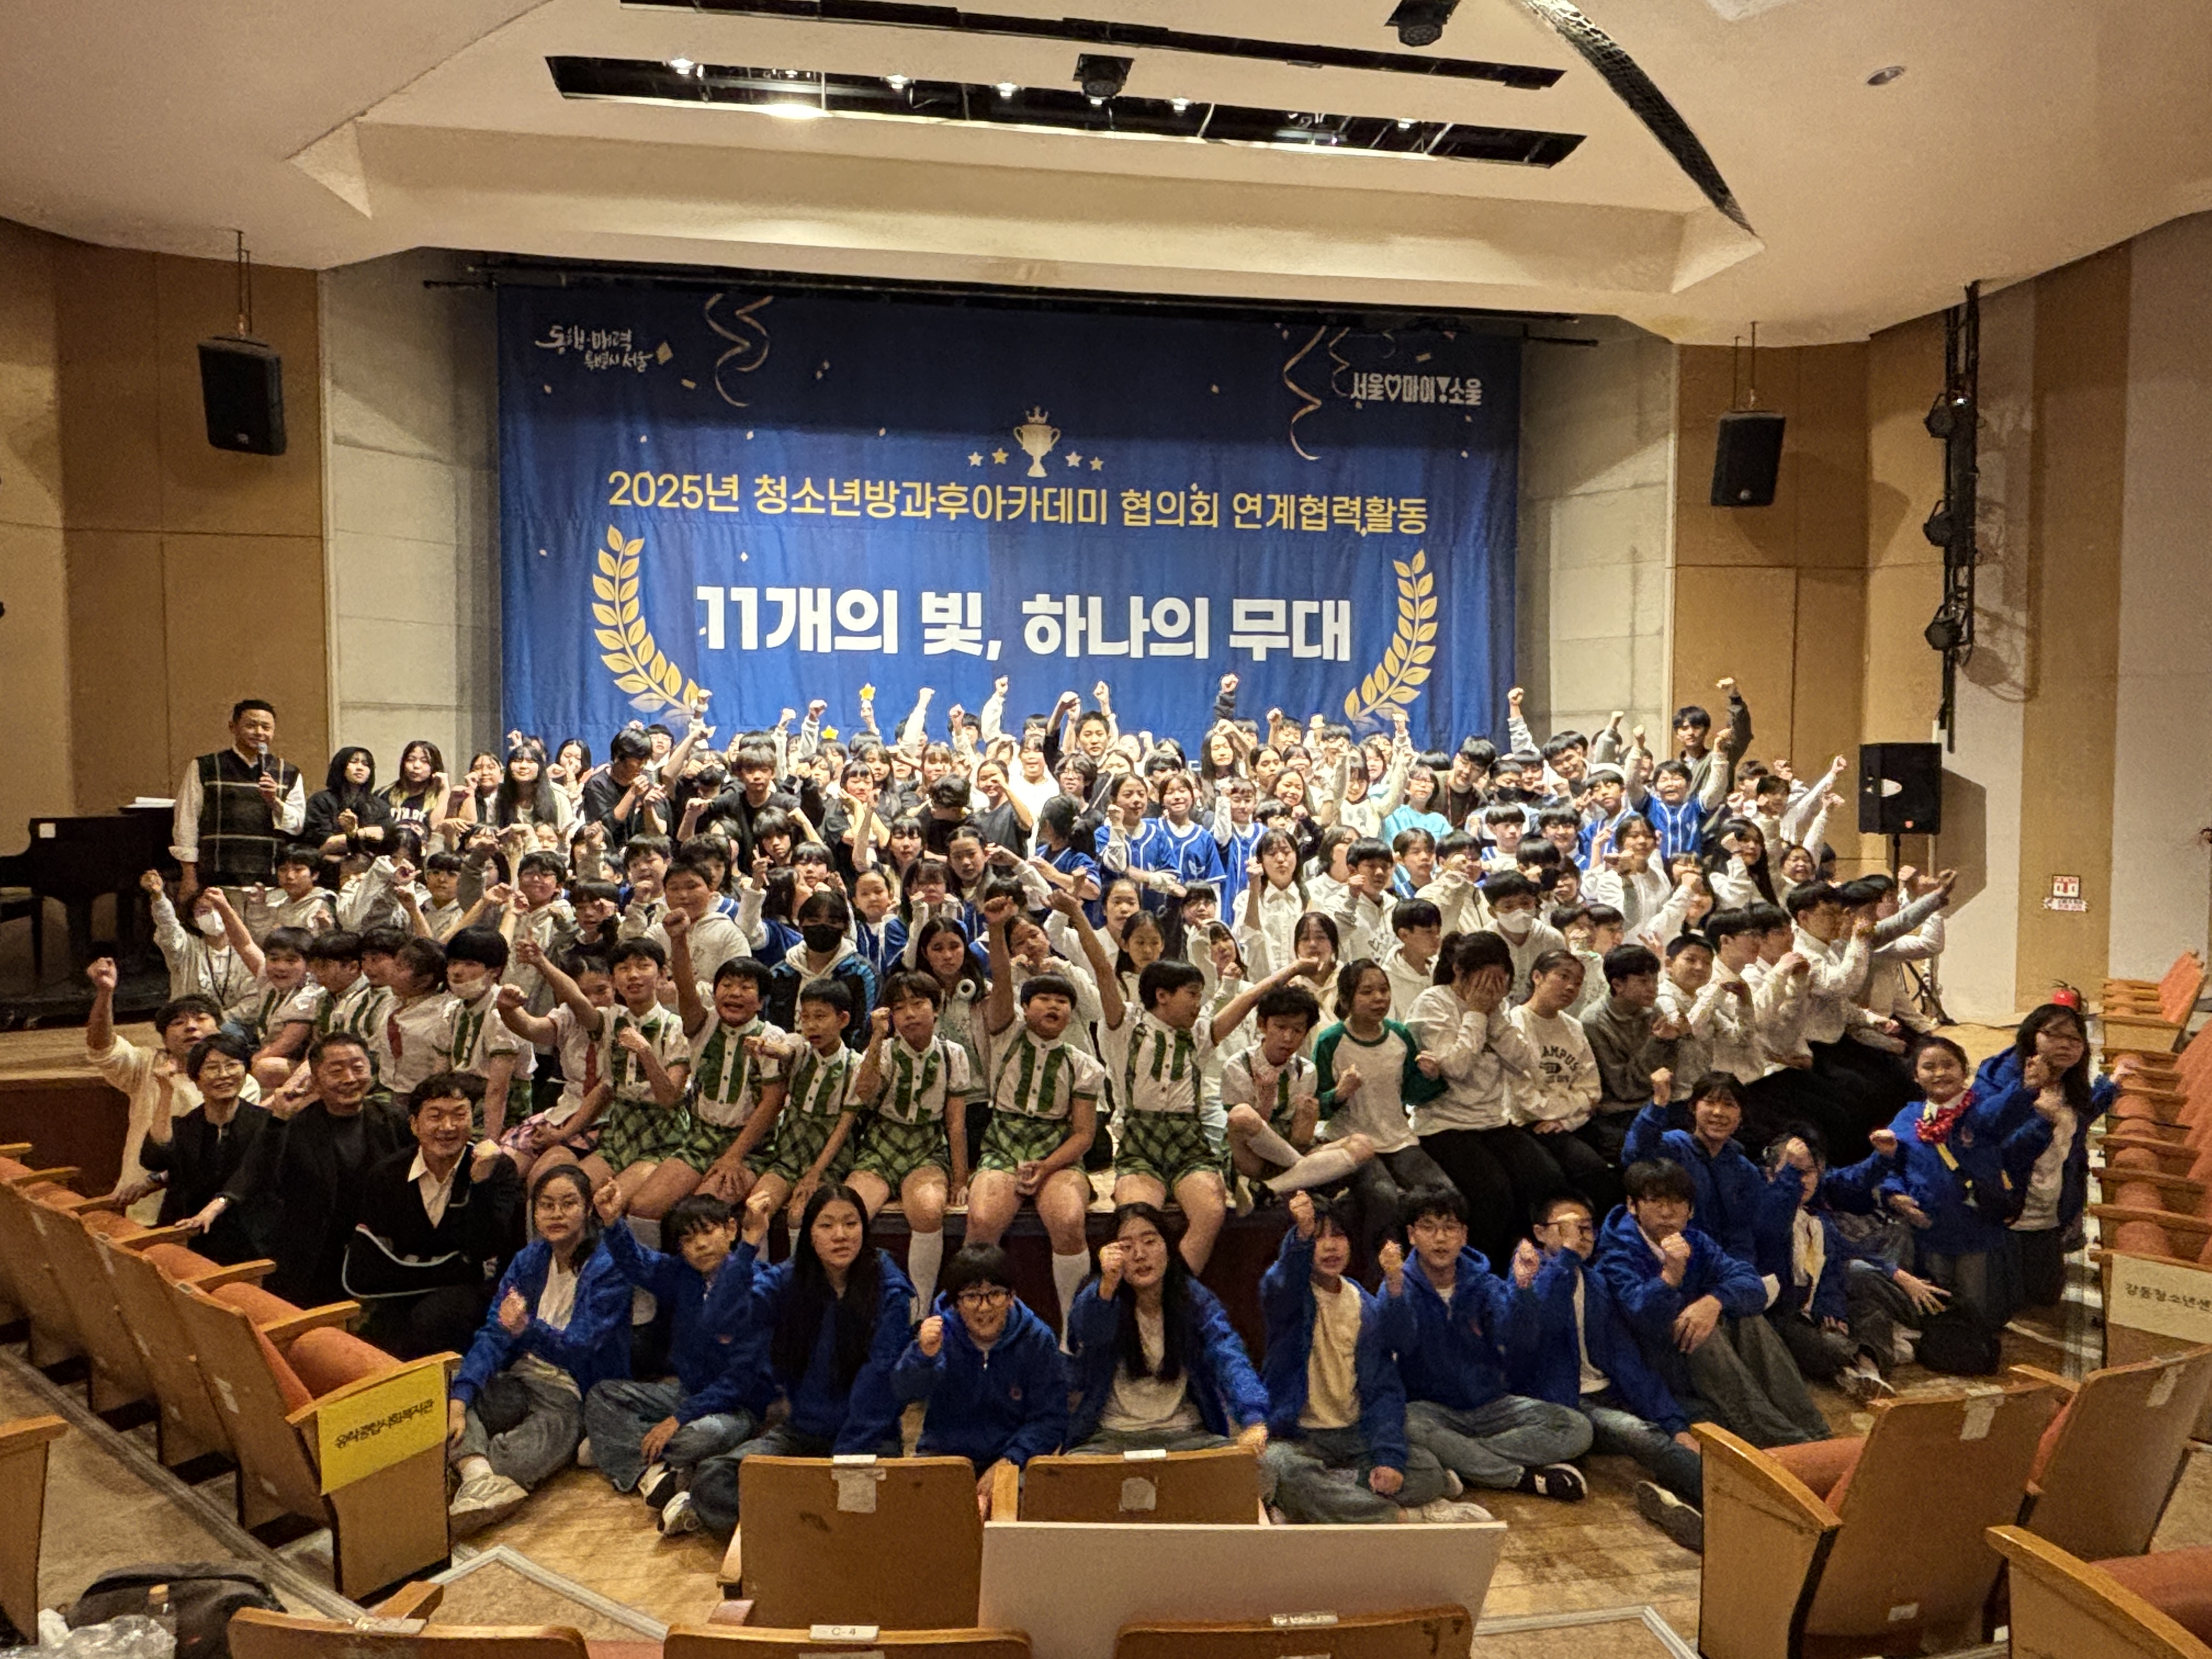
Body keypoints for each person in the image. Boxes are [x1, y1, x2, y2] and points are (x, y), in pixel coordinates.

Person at [682, 1184, 913, 1538]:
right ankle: (806, 1528)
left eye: (851, 1223)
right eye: (827, 1225)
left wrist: (839, 1466)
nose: (840, 1235)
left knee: (871, 1507)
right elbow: (721, 1321)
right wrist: (750, 1242)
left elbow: (880, 1381)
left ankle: (796, 1525)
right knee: (713, 1478)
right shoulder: (791, 1277)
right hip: (802, 1435)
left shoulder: (887, 1282)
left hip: (868, 1438)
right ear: (809, 1234)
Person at [1516, 1193, 1709, 1553]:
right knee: (1642, 1435)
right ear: (1540, 1233)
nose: (1579, 1237)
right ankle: (1728, 1506)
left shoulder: (1596, 1283)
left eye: (1586, 1228)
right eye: (1567, 1229)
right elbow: (1541, 1325)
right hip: (1567, 1404)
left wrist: (1676, 1426)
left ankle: (1684, 1500)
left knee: (1702, 1418)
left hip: (1608, 1392)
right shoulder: (1526, 1277)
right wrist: (1567, 1256)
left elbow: (1626, 1359)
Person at [445, 1164, 631, 1534]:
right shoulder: (528, 1260)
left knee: (514, 1462)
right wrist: (460, 1399)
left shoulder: (610, 1266)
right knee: (443, 1391)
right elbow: (495, 1332)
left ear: (588, 1209)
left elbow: (581, 1347)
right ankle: (478, 1476)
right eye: (547, 1205)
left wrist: (527, 1329)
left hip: (572, 1392)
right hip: (519, 1378)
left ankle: (472, 1467)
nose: (557, 1214)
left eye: (568, 1204)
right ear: (534, 1213)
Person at [1595, 1159, 1828, 1449]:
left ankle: (1817, 1434)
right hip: (1654, 1368)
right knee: (1699, 1332)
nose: (1667, 1213)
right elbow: (1641, 1318)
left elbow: (1751, 1284)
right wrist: (1669, 1278)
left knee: (1748, 1320)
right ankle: (1783, 1443)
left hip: (1702, 1361)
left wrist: (1714, 1301)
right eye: (1656, 1202)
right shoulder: (1615, 1254)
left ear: (1690, 1210)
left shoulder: (1696, 1241)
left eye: (1676, 1203)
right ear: (1633, 1206)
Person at [1259, 1193, 1463, 1524]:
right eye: (1319, 1238)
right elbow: (1280, 1282)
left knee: (1425, 1469)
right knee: (1282, 1469)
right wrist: (1302, 1235)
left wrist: (1389, 1460)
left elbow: (1384, 1388)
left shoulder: (1364, 1303)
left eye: (1338, 1235)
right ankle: (1398, 1516)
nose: (1330, 1246)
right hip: (1301, 1438)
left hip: (1354, 1435)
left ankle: (1332, 1501)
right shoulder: (1291, 1298)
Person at [1393, 1184, 1595, 1501]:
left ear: (1464, 1235)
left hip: (1492, 1407)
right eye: (1428, 1228)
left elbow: (1519, 1342)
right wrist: (1394, 1295)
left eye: (1450, 1228)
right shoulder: (1397, 1286)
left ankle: (1462, 1462)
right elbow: (1395, 1342)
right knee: (1405, 1424)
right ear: (1411, 1235)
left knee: (1577, 1427)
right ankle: (1520, 1478)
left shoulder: (1483, 1282)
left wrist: (1524, 1289)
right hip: (1432, 1411)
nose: (1440, 1238)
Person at [584, 1184, 767, 1530]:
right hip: (686, 1391)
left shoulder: (759, 1284)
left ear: (731, 1229)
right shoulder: (683, 1275)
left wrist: (677, 1419)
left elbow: (740, 1382)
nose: (699, 1245)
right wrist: (612, 1222)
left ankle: (627, 1449)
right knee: (602, 1395)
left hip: (736, 1408)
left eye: (707, 1232)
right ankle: (655, 1473)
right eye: (687, 1240)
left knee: (701, 1437)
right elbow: (638, 1263)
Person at [969, 895, 1108, 1330]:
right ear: (1025, 1007)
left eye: (1062, 1001)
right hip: (1003, 1143)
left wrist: (1046, 1166)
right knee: (982, 1221)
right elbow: (1001, 980)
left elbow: (1083, 1134)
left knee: (1068, 1220)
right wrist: (996, 928)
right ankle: (978, 1323)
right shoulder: (1004, 1031)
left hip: (1057, 1150)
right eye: (1044, 999)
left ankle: (1071, 1330)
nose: (1053, 1006)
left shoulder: (1084, 1065)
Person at [1063, 1204, 1272, 1471]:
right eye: (1126, 1247)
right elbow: (1086, 1335)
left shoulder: (1194, 1299)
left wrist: (1254, 1418)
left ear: (1168, 1248)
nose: (1140, 1255)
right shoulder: (1099, 1296)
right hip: (1112, 1437)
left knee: (1254, 1472)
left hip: (1187, 1435)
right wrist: (1107, 1287)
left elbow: (1229, 1355)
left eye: (1150, 1242)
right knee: (1069, 1477)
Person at [220, 1032, 411, 1306]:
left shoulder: (393, 1120)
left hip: (379, 1251)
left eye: (358, 1068)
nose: (349, 1079)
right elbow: (260, 1177)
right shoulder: (292, 1126)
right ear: (316, 1080)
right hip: (312, 1257)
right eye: (336, 1071)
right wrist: (279, 1119)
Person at [1406, 931, 1558, 1272]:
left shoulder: (1497, 1008)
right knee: (1493, 1193)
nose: (1492, 989)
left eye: (1500, 981)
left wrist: (1495, 1016)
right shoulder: (1433, 1003)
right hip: (1444, 1124)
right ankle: (1484, 1274)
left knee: (1546, 1179)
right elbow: (1456, 1068)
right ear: (1459, 971)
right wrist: (1475, 1014)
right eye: (1485, 980)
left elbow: (1524, 1061)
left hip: (1492, 1122)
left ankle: (1528, 1268)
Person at [345, 1073, 524, 1359]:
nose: (448, 1127)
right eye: (435, 1116)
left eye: (459, 1115)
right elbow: (375, 1252)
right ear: (414, 1125)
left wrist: (480, 1185)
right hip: (405, 1287)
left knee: (433, 1318)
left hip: (474, 1288)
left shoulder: (497, 1170)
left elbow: (486, 1247)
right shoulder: (387, 1174)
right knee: (370, 1338)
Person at [893, 1243, 1070, 1517]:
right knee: (915, 1515)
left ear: (1011, 1297)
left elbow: (1050, 1419)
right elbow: (903, 1392)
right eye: (972, 1297)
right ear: (956, 1302)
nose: (984, 1308)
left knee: (1030, 1510)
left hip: (1014, 1457)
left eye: (995, 1295)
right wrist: (923, 1356)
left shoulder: (1037, 1339)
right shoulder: (940, 1335)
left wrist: (1009, 1461)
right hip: (945, 1456)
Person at [1975, 1003, 2117, 1309]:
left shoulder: (2070, 1085)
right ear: (2032, 1036)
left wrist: (2111, 1085)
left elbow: (2081, 1118)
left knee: (2045, 1298)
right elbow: (2001, 1152)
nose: (2066, 1045)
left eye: (2075, 1039)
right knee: (2003, 1304)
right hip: (2005, 1210)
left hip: (2048, 1213)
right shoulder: (2000, 1082)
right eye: (2055, 1035)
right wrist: (2041, 1118)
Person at [848, 972, 973, 1314]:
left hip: (927, 1146)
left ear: (937, 1008)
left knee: (928, 1211)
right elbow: (863, 1092)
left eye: (918, 1004)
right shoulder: (884, 1050)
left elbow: (956, 1122)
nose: (910, 1014)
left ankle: (919, 1309)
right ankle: (852, 1301)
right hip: (881, 1143)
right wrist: (876, 1038)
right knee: (850, 1211)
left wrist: (960, 1177)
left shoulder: (953, 1054)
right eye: (900, 1008)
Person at [83, 956, 231, 1200]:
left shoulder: (235, 1079)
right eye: (178, 1022)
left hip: (203, 1205)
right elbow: (102, 1048)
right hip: (139, 1203)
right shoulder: (147, 1065)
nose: (191, 1027)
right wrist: (105, 993)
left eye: (201, 1019)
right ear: (164, 1039)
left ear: (219, 1029)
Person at [137, 1032, 272, 1262]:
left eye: (232, 1065)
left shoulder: (267, 1125)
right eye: (212, 1068)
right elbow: (155, 1158)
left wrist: (214, 1209)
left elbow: (253, 1175)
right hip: (187, 1235)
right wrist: (166, 1091)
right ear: (196, 1078)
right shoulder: (186, 1125)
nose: (224, 1075)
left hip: (248, 1239)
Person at [1622, 1070, 1773, 1271]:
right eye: (1710, 1102)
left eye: (1729, 1105)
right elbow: (1634, 1155)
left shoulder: (1745, 1171)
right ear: (1694, 1107)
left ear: (1740, 1117)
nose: (1718, 1112)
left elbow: (1743, 1232)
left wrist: (1738, 1272)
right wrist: (1658, 1104)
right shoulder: (1673, 1147)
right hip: (1668, 1261)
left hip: (1724, 1267)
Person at [171, 698, 307, 900]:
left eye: (266, 727)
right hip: (218, 878)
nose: (259, 733)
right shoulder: (206, 767)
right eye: (251, 726)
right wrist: (189, 874)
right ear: (233, 727)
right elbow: (186, 820)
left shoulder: (288, 772)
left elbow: (297, 826)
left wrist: (274, 801)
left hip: (269, 881)